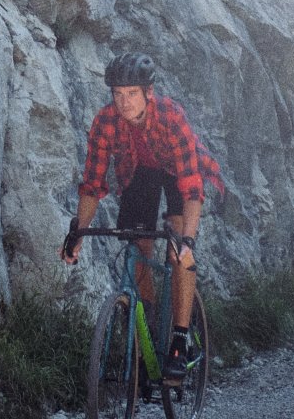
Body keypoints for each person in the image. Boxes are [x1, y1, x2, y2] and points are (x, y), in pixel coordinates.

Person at [61, 52, 224, 381]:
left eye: (132, 93)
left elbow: (191, 188)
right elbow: (92, 184)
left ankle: (180, 339)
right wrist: (78, 231)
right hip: (141, 175)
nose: (124, 102)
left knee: (178, 251)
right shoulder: (105, 121)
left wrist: (187, 241)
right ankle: (146, 332)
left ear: (148, 93)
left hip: (180, 173)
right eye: (118, 94)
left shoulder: (170, 116)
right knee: (135, 249)